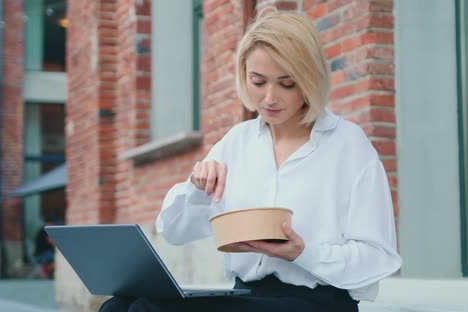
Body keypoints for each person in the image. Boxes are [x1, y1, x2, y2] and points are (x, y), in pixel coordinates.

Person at [100, 7, 401, 312]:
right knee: (119, 305)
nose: (269, 98)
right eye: (258, 81)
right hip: (245, 297)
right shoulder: (237, 142)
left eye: (286, 83)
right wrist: (195, 185)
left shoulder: (348, 145)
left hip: (315, 302)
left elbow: (377, 257)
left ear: (310, 79)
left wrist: (303, 253)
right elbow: (173, 231)